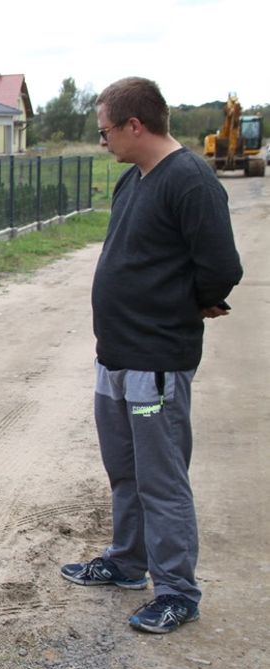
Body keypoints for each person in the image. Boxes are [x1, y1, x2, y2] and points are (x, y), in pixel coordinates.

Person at [60, 78, 243, 633]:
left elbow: (221, 267)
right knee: (125, 472)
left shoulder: (190, 181)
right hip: (114, 359)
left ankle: (177, 592)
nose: (102, 140)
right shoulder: (132, 181)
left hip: (156, 363)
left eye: (105, 130)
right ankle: (126, 563)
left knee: (161, 480)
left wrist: (195, 302)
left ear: (134, 125)